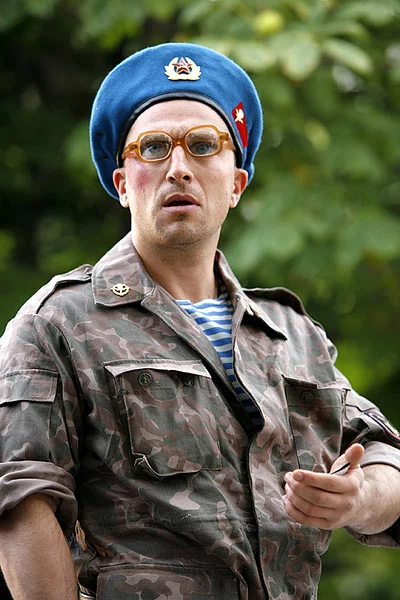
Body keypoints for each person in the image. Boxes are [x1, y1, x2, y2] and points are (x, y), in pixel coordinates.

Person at [0, 42, 399, 600]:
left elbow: (384, 456)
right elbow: (20, 497)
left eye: (204, 146)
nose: (179, 168)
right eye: (153, 148)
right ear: (123, 182)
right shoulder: (58, 324)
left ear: (236, 184)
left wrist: (359, 498)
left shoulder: (293, 335)